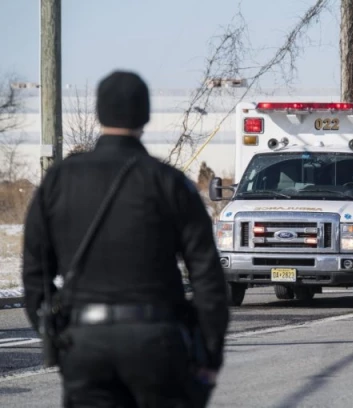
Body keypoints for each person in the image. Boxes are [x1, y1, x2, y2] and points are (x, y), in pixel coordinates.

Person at [22, 70, 229, 407]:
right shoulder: (169, 182)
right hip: (157, 341)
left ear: (99, 112)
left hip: (84, 343)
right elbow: (207, 276)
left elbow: (34, 275)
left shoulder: (58, 182)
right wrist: (209, 354)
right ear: (145, 115)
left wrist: (56, 334)